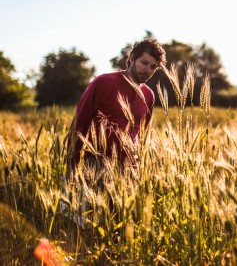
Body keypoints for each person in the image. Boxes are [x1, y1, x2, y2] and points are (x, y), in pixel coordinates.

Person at [67, 38, 166, 180]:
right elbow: (79, 125)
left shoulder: (148, 95)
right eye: (144, 63)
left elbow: (142, 134)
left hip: (130, 171)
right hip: (97, 167)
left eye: (153, 67)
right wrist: (72, 169)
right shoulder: (104, 82)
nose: (147, 70)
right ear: (132, 58)